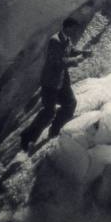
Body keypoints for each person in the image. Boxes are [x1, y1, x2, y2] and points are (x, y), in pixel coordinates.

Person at [20, 19, 92, 152]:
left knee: (70, 103)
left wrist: (82, 52)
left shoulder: (65, 38)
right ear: (67, 27)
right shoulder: (55, 41)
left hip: (61, 80)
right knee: (48, 112)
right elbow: (59, 62)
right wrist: (78, 59)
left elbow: (70, 50)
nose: (74, 32)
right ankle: (26, 137)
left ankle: (55, 131)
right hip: (50, 82)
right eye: (73, 29)